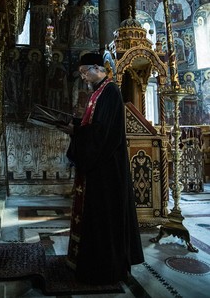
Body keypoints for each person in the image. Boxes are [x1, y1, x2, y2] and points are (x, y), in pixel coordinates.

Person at [57, 52, 144, 285]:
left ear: (97, 67)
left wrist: (77, 132)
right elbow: (94, 126)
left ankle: (104, 268)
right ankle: (90, 262)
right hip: (98, 167)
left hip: (107, 170)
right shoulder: (98, 92)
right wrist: (74, 125)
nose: (84, 77)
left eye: (85, 72)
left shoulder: (111, 92)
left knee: (104, 219)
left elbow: (104, 133)